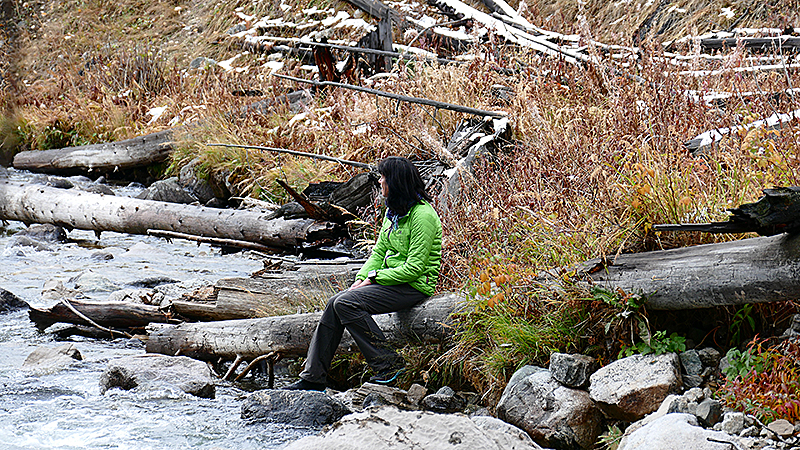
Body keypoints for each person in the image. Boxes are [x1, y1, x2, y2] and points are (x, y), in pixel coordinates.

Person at [284, 156, 442, 391]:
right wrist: (361, 278)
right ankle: (312, 377)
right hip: (391, 281)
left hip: (414, 286)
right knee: (335, 302)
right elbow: (379, 252)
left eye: (383, 178)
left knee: (346, 304)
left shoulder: (423, 216)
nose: (379, 181)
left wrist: (374, 278)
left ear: (395, 182)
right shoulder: (395, 212)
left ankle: (388, 364)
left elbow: (415, 268)